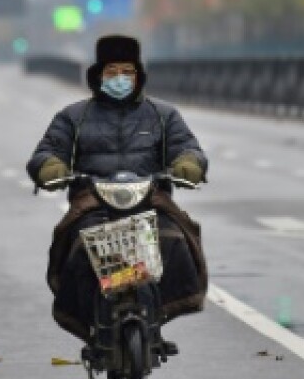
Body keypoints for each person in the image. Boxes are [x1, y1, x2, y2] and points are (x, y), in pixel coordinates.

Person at [27, 34, 209, 343]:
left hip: (151, 202)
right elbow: (47, 152)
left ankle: (156, 317)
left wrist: (188, 165)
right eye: (112, 71)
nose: (120, 78)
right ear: (99, 74)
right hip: (93, 205)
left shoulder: (163, 116)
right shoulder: (74, 117)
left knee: (176, 242)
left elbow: (187, 148)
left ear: (138, 75)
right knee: (75, 254)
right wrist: (51, 169)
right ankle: (92, 324)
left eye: (127, 71)